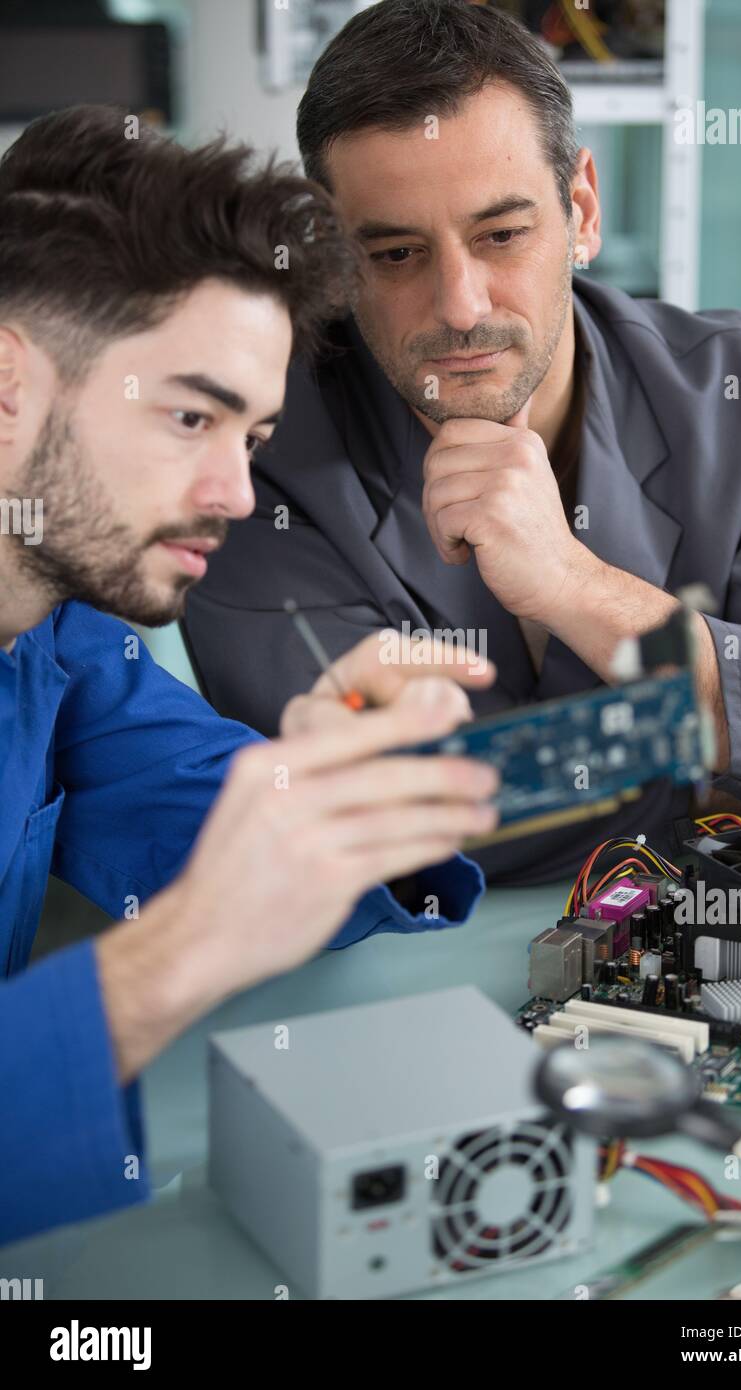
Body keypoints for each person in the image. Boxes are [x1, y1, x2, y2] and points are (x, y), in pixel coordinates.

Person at [183, 0, 741, 888]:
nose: (461, 306)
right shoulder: (255, 460)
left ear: (581, 210)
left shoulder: (728, 389)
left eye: (502, 235)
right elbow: (390, 829)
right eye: (395, 255)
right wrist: (711, 728)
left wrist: (577, 586)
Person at [0, 104, 501, 1245]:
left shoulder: (63, 638)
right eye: (190, 416)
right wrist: (182, 950)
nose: (235, 493)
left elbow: (211, 806)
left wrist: (327, 788)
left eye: (253, 437)